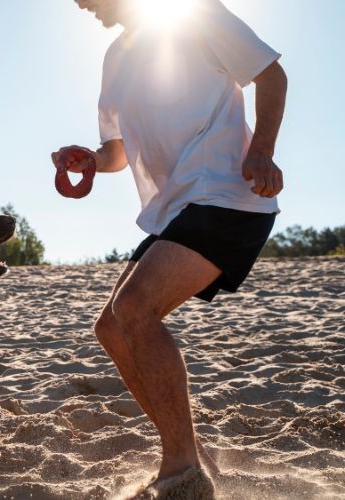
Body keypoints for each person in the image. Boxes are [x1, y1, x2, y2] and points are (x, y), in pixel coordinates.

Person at [53, 0, 287, 497]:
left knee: (135, 308)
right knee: (111, 327)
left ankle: (182, 468)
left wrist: (261, 150)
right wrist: (90, 159)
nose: (80, 4)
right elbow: (117, 149)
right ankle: (191, 456)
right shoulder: (116, 57)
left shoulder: (196, 13)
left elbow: (271, 75)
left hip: (228, 194)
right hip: (177, 207)